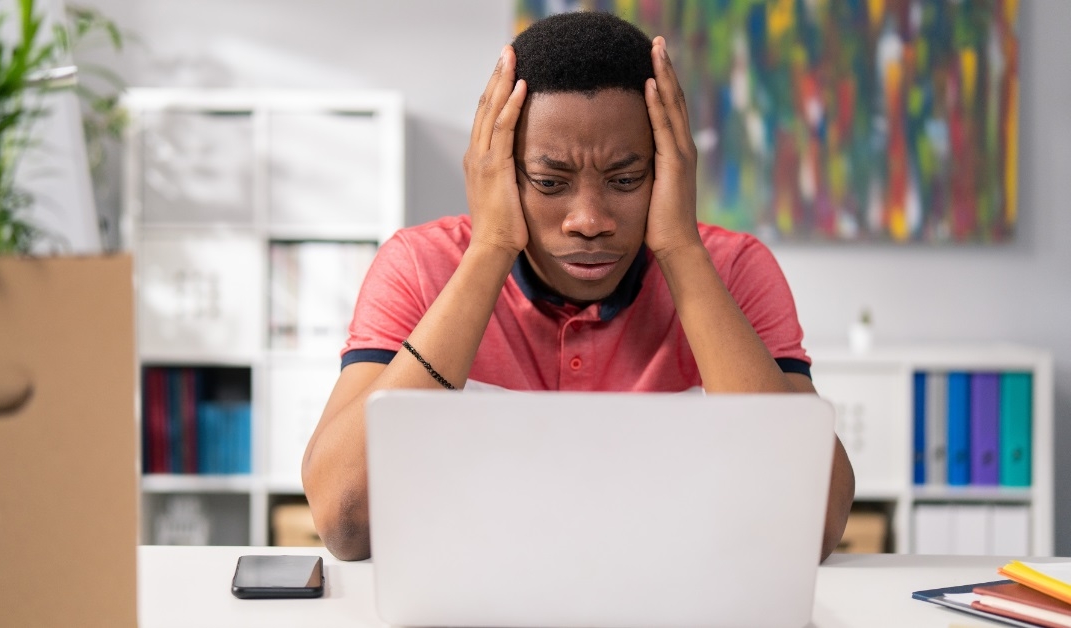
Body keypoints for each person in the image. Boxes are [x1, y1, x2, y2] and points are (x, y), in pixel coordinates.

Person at [302, 11, 855, 562]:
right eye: (549, 182)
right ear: (499, 172)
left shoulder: (734, 271)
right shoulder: (419, 266)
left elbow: (815, 526)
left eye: (625, 180)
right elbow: (345, 520)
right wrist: (490, 248)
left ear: (668, 170)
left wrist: (681, 250)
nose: (589, 220)